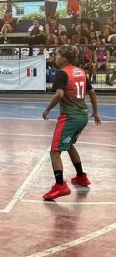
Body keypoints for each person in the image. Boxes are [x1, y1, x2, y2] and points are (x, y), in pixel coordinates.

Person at [42, 45, 100, 201]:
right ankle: (81, 176)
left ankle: (60, 185)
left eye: (57, 55)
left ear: (65, 58)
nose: (55, 58)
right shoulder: (80, 72)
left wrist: (47, 109)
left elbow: (59, 94)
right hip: (83, 116)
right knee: (68, 145)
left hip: (70, 117)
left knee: (55, 151)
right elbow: (92, 92)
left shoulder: (62, 73)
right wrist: (95, 112)